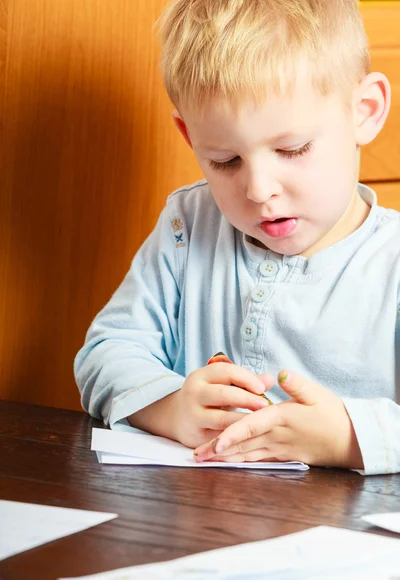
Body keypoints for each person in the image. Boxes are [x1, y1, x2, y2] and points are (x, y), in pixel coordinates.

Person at [74, 0, 400, 475]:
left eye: (292, 149)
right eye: (225, 161)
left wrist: (346, 438)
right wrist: (170, 407)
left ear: (364, 112)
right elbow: (106, 352)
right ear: (189, 137)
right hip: (202, 522)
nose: (258, 190)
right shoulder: (189, 223)